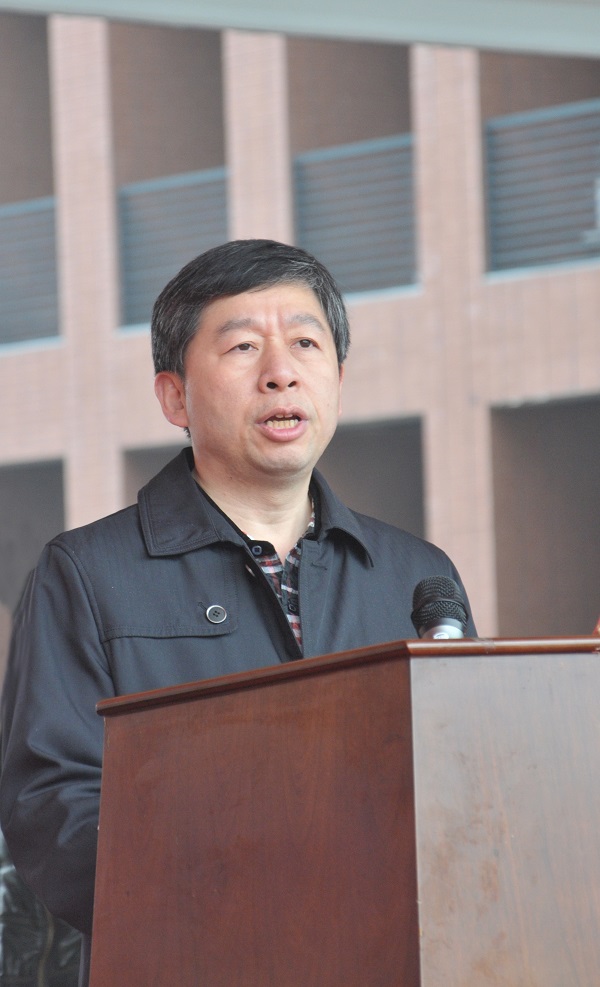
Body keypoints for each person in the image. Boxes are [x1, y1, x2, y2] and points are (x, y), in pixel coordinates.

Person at [0, 239, 476, 985]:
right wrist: (249, 896)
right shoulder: (86, 574)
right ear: (174, 397)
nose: (281, 371)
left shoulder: (417, 575)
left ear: (339, 379)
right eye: (244, 346)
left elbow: (473, 786)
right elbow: (52, 811)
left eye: (307, 343)